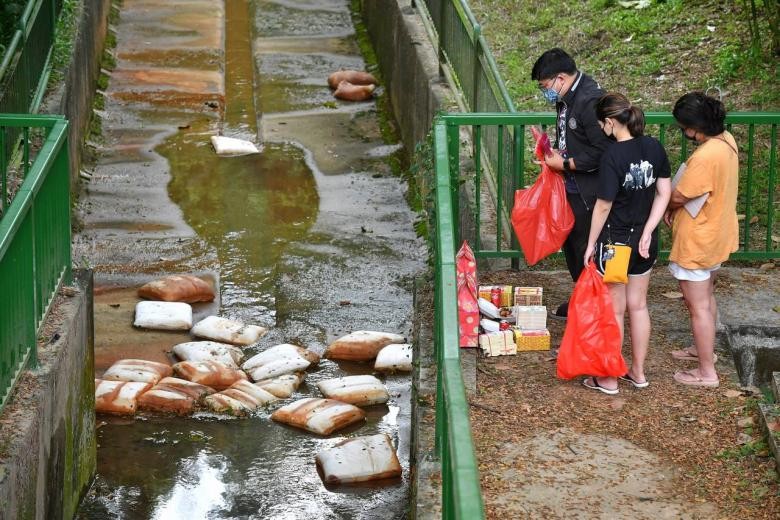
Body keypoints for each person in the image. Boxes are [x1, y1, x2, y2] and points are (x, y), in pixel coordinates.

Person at [579, 93, 671, 394]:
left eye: (601, 124)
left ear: (610, 122)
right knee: (639, 306)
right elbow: (663, 192)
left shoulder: (612, 156)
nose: (602, 130)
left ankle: (608, 378)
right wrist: (648, 231)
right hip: (645, 243)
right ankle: (638, 372)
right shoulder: (654, 147)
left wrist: (591, 244)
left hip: (616, 243)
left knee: (615, 311)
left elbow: (603, 206)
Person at [531, 48, 612, 320]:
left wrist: (564, 164)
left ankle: (595, 307)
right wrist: (554, 154)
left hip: (590, 191)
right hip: (572, 186)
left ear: (561, 79)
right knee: (574, 246)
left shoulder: (590, 101)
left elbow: (602, 153)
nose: (546, 93)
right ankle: (583, 297)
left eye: (546, 87)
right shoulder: (566, 98)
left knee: (588, 248)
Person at [665, 92, 738, 388]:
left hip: (697, 240)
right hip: (717, 233)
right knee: (706, 297)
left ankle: (706, 372)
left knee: (698, 306)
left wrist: (666, 203)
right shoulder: (726, 141)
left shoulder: (705, 156)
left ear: (696, 126)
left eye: (685, 127)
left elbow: (680, 194)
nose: (685, 133)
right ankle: (702, 349)